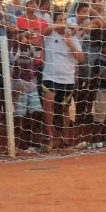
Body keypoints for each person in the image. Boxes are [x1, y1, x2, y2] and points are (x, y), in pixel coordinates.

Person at [41, 12, 84, 150]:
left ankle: (65, 139)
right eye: (60, 19)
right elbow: (47, 29)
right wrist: (63, 25)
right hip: (50, 77)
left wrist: (70, 43)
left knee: (65, 109)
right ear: (54, 21)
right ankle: (50, 138)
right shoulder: (49, 35)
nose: (63, 22)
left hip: (67, 78)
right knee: (49, 106)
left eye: (65, 19)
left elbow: (81, 58)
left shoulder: (72, 36)